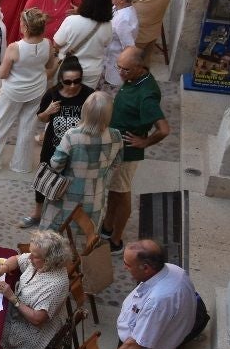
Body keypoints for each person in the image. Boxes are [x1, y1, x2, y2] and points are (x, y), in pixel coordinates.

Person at [100, 48, 170, 250]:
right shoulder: (134, 79)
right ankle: (107, 225)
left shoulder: (147, 94)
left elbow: (164, 129)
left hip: (127, 151)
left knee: (122, 193)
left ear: (140, 67)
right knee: (114, 191)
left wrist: (145, 142)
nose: (121, 73)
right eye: (119, 67)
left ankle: (116, 240)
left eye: (126, 69)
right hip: (117, 145)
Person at [20, 55, 93, 228]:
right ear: (61, 80)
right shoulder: (52, 93)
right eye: (68, 82)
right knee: (44, 179)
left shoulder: (89, 94)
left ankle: (67, 216)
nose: (73, 85)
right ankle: (38, 213)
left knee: (73, 183)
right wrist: (48, 111)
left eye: (77, 81)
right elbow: (42, 118)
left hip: (78, 149)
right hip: (53, 146)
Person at [0, 8, 53, 174]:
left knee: (0, 125)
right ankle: (22, 165)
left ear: (25, 27)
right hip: (37, 89)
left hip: (13, 91)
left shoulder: (15, 47)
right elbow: (49, 66)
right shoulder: (48, 44)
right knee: (28, 127)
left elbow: (2, 74)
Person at [0, 231, 73, 349]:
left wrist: (12, 298)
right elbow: (16, 259)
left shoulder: (56, 284)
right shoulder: (38, 261)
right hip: (16, 313)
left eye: (34, 255)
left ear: (49, 260)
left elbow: (37, 319)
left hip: (29, 332)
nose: (29, 257)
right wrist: (4, 268)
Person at [42, 91, 122, 231]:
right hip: (96, 196)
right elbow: (116, 165)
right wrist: (101, 179)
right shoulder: (116, 136)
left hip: (65, 195)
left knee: (56, 235)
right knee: (86, 234)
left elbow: (56, 164)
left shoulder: (72, 135)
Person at [52, 0, 114, 88]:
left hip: (68, 68)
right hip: (93, 70)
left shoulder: (71, 20)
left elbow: (56, 44)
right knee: (86, 97)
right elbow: (106, 43)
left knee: (63, 95)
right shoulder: (108, 25)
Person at [103, 0, 140, 92]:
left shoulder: (123, 19)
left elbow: (128, 47)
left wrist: (123, 67)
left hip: (115, 61)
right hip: (108, 57)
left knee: (112, 89)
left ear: (122, 0)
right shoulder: (118, 8)